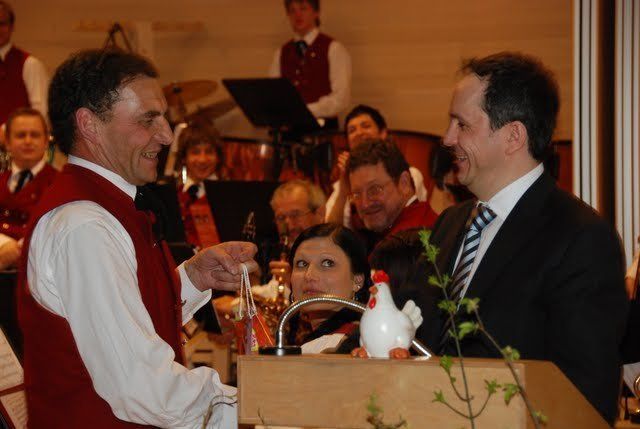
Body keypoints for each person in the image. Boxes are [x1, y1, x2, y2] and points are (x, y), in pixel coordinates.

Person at [17, 48, 258, 428]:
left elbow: (118, 320)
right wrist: (259, 409)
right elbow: (142, 387)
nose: (166, 135)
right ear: (89, 125)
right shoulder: (84, 226)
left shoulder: (105, 207)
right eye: (148, 120)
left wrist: (190, 279)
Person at [429, 52, 627, 424]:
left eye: (462, 124)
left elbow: (584, 396)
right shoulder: (450, 224)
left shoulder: (580, 237)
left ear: (513, 136)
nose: (447, 138)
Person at [325, 105, 430, 227]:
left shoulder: (409, 174)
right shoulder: (343, 184)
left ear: (383, 133)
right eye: (352, 130)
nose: (359, 133)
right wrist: (344, 189)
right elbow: (330, 231)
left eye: (366, 126)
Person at [345, 138, 438, 252]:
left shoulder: (402, 246)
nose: (365, 204)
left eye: (374, 190)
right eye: (357, 194)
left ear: (404, 183)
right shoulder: (424, 217)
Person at [288, 223, 370, 352]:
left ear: (357, 280)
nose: (309, 275)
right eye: (302, 264)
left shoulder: (346, 343)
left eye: (328, 263)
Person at [269, 0, 351, 127]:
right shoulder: (281, 53)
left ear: (316, 13)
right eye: (292, 11)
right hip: (289, 130)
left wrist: (305, 111)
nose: (297, 15)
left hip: (323, 130)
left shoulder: (333, 48)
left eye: (303, 8)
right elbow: (273, 94)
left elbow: (341, 98)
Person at [0, 107, 56, 269]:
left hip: (35, 275)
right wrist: (3, 245)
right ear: (7, 142)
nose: (28, 141)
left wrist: (18, 250)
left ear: (46, 141)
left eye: (35, 135)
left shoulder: (60, 184)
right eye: (20, 135)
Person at [0, 1, 48, 128]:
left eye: (2, 24)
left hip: (15, 139)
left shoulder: (30, 64)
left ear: (11, 27)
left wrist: (6, 131)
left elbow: (40, 114)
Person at [176, 125, 225, 249]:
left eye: (209, 152)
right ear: (184, 158)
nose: (202, 159)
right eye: (195, 152)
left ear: (218, 157)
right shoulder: (174, 196)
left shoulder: (229, 196)